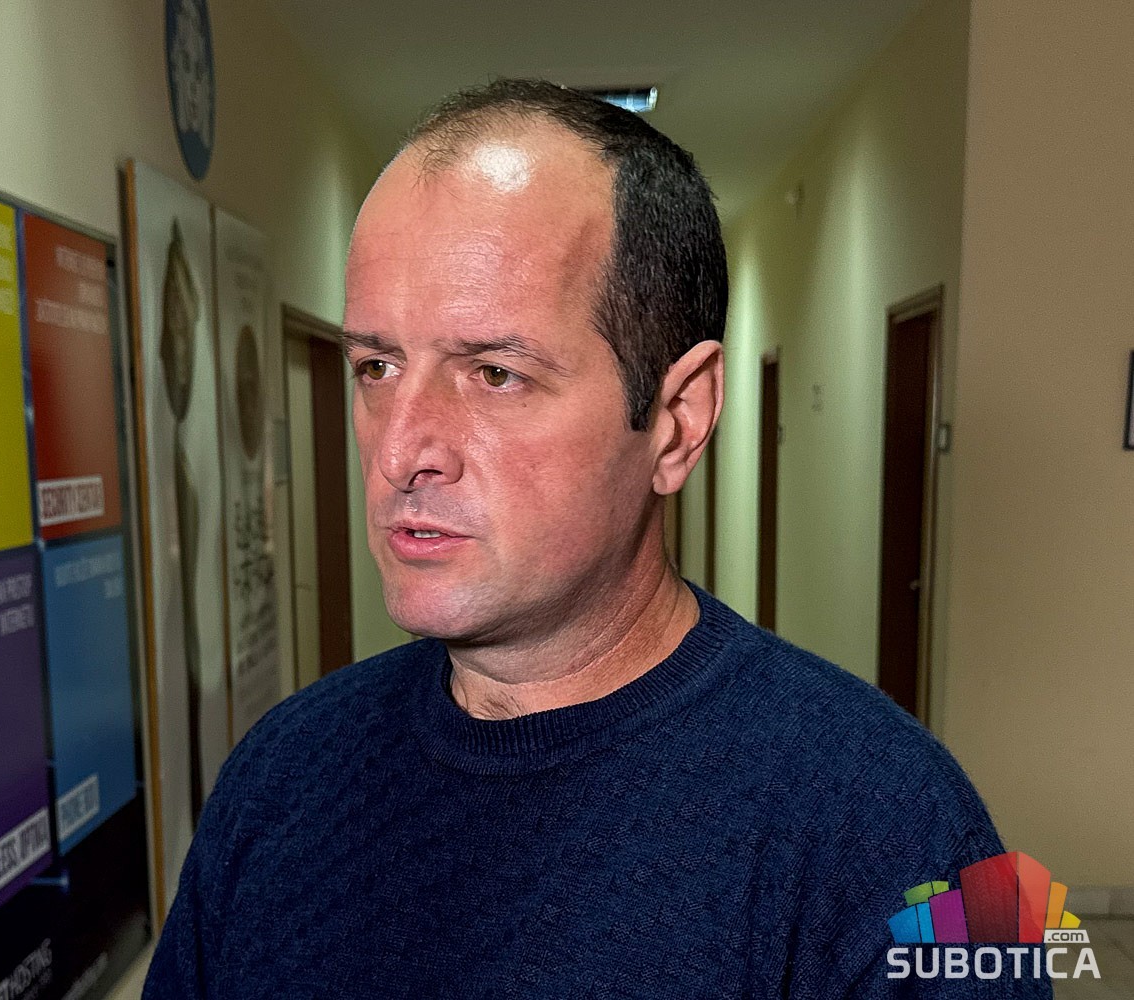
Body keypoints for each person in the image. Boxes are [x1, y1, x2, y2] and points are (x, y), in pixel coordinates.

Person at [144, 80, 1045, 998]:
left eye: (495, 373)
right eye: (377, 366)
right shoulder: (282, 773)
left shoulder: (904, 831)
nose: (400, 450)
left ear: (679, 419)